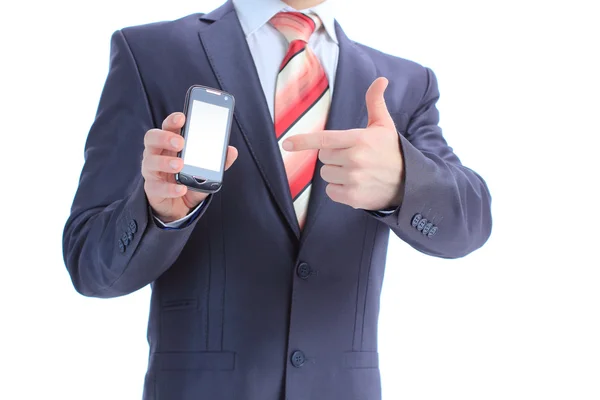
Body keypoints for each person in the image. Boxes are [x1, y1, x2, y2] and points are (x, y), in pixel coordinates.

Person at [62, 0, 492, 398]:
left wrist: (403, 182)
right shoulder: (150, 53)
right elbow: (90, 265)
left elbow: (469, 226)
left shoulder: (404, 84)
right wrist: (159, 213)